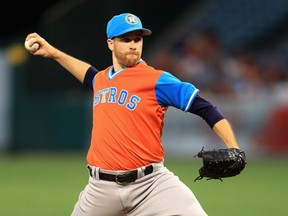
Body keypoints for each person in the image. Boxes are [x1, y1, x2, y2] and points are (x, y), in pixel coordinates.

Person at [25, 13, 242, 216]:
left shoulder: (157, 80)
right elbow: (88, 74)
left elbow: (206, 108)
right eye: (125, 39)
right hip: (100, 189)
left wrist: (234, 148)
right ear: (110, 43)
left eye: (137, 39)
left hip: (152, 185)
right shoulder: (101, 79)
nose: (133, 45)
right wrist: (53, 53)